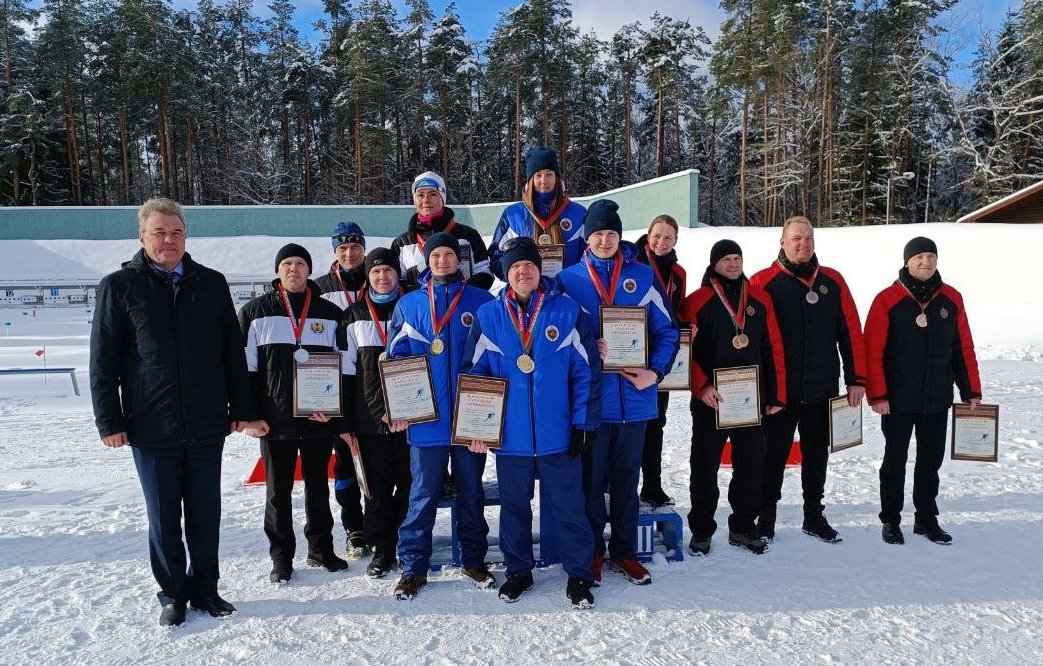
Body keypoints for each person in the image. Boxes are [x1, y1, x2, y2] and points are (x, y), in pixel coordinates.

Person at [89, 197, 254, 627]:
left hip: (206, 421)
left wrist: (240, 408)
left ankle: (206, 589)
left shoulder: (212, 283)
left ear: (186, 237)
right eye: (159, 232)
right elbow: (103, 361)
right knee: (163, 516)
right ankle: (173, 594)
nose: (169, 239)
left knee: (205, 512)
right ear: (142, 237)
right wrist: (110, 420)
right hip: (150, 424)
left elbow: (231, 354)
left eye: (176, 232)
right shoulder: (119, 286)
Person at [464, 237, 601, 609]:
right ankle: (519, 571)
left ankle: (579, 575)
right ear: (507, 274)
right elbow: (473, 375)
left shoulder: (568, 312)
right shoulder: (489, 317)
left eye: (528, 265)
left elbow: (586, 371)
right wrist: (478, 428)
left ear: (539, 269)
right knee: (514, 508)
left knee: (569, 507)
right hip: (511, 439)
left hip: (559, 435)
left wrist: (581, 425)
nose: (523, 271)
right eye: (515, 267)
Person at [555, 199, 680, 586]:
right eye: (597, 234)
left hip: (634, 399)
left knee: (627, 481)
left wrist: (654, 372)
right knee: (592, 482)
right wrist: (590, 345)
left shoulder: (642, 278)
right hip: (591, 403)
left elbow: (668, 331)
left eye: (611, 233)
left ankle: (624, 551)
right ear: (587, 238)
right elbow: (556, 339)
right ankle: (592, 550)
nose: (604, 240)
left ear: (619, 236)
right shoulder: (568, 280)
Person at [385, 232, 495, 600]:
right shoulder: (410, 304)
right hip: (426, 420)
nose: (443, 261)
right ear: (426, 261)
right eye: (436, 256)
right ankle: (414, 566)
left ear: (460, 260)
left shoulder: (481, 301)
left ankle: (474, 559)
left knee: (471, 492)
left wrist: (490, 416)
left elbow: (494, 359)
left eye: (449, 255)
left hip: (470, 420)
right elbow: (395, 358)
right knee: (422, 494)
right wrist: (396, 406)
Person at [238, 243, 352, 584]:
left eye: (300, 264)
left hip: (317, 419)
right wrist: (250, 415)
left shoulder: (329, 313)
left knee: (319, 487)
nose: (294, 270)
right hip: (274, 422)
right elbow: (246, 370)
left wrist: (335, 412)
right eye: (287, 264)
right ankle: (281, 556)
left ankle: (321, 549)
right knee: (278, 491)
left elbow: (343, 367)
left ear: (308, 270)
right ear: (278, 271)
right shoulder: (256, 312)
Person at [749, 216, 866, 543]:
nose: (804, 244)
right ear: (783, 243)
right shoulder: (763, 282)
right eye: (796, 239)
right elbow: (752, 339)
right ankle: (766, 515)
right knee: (773, 455)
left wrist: (856, 378)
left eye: (809, 238)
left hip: (822, 388)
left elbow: (850, 332)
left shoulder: (833, 281)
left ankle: (813, 515)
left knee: (817, 454)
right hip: (780, 393)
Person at [864, 237, 982, 545]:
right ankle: (891, 519)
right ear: (907, 261)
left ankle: (926, 519)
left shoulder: (951, 299)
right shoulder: (887, 299)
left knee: (931, 462)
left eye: (930, 256)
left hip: (937, 397)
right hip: (898, 400)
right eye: (918, 257)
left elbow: (962, 348)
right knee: (895, 461)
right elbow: (872, 350)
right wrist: (878, 395)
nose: (925, 262)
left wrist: (971, 390)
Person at [679, 240, 786, 556]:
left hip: (750, 402)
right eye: (726, 259)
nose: (733, 263)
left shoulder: (760, 299)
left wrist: (776, 395)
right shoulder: (696, 301)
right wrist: (701, 386)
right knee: (704, 467)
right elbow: (685, 353)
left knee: (752, 465)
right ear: (714, 264)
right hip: (711, 400)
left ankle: (742, 527)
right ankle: (701, 530)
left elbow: (773, 349)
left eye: (737, 258)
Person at [341, 247, 411, 579]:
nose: (382, 277)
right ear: (367, 276)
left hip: (413, 417)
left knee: (411, 484)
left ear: (398, 274)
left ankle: (406, 542)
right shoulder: (354, 316)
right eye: (375, 272)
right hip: (371, 421)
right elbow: (347, 374)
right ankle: (382, 549)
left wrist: (406, 409)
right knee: (377, 490)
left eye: (388, 271)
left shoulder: (414, 308)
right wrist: (366, 415)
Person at [314, 221, 369, 560]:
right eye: (343, 248)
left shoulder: (380, 276)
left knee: (380, 461)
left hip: (376, 385)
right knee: (345, 462)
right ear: (335, 251)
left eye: (355, 247)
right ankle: (355, 528)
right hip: (337, 387)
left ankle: (382, 522)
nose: (350, 254)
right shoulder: (319, 287)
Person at [634, 214, 687, 507]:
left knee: (656, 422)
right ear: (648, 235)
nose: (661, 242)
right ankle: (617, 487)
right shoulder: (634, 264)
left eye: (668, 238)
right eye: (657, 236)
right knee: (629, 424)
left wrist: (688, 323)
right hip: (629, 352)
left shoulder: (678, 274)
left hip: (660, 357)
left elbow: (677, 311)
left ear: (676, 240)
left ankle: (652, 485)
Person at [488, 146, 587, 281]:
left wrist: (574, 282)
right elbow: (496, 255)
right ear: (530, 180)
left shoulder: (578, 213)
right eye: (538, 175)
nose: (543, 180)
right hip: (527, 296)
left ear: (557, 178)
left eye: (549, 174)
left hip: (567, 293)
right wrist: (516, 281)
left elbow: (591, 255)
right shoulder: (513, 215)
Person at [391, 172, 494, 291]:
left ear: (442, 198)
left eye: (433, 194)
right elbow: (395, 282)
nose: (426, 200)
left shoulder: (468, 235)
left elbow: (485, 272)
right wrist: (419, 299)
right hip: (421, 309)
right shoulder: (402, 244)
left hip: (463, 307)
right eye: (420, 195)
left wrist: (463, 295)